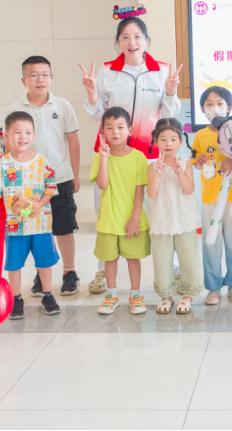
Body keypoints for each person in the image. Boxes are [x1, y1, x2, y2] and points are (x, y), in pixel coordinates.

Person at [79, 16, 182, 294]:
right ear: (118, 41)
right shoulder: (107, 71)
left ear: (146, 40)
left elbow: (169, 114)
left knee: (158, 209)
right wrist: (92, 93)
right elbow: (97, 114)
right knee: (107, 211)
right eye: (125, 37)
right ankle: (102, 271)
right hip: (111, 154)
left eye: (137, 36)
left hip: (148, 154)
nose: (131, 42)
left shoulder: (161, 71)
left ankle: (171, 268)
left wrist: (170, 91)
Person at [7, 56, 82, 298]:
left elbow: (73, 141)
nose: (40, 79)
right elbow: (9, 146)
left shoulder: (62, 105)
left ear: (51, 78)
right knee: (35, 230)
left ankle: (69, 272)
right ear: (24, 80)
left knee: (63, 227)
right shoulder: (14, 110)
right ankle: (41, 275)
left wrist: (75, 174)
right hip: (28, 183)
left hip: (60, 177)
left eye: (44, 75)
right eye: (33, 75)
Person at [0, 111, 60, 320]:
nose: (23, 137)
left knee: (44, 261)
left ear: (33, 135)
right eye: (17, 132)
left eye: (27, 132)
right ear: (6, 135)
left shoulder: (42, 162)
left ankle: (47, 295)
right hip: (14, 226)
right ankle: (16, 298)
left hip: (41, 225)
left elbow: (50, 187)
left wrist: (40, 204)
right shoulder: (2, 164)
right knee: (14, 263)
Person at [91, 107, 151, 316]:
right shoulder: (100, 157)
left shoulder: (139, 157)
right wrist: (104, 158)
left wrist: (135, 218)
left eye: (120, 127)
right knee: (110, 259)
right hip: (108, 220)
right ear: (102, 132)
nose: (115, 131)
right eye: (109, 127)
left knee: (133, 258)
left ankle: (135, 295)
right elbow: (102, 184)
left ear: (130, 130)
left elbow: (139, 192)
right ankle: (112, 295)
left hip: (132, 219)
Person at [191, 86, 232, 305]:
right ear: (202, 109)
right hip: (210, 198)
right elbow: (195, 161)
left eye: (220, 103)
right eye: (209, 104)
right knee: (211, 243)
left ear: (229, 108)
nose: (214, 107)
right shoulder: (200, 135)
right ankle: (213, 287)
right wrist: (199, 162)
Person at [146, 118, 204, 314]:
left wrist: (179, 172)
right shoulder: (151, 166)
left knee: (189, 256)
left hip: (184, 218)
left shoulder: (186, 164)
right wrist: (157, 173)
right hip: (161, 219)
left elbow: (189, 190)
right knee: (162, 258)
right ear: (155, 141)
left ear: (180, 141)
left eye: (173, 139)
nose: (168, 144)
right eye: (163, 139)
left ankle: (188, 295)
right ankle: (166, 295)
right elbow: (152, 193)